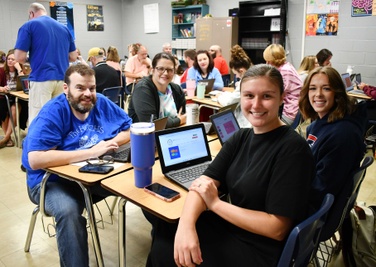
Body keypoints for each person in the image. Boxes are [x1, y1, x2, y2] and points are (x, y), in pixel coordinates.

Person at [145, 64, 315, 267]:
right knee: (166, 230)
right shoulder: (241, 137)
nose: (256, 104)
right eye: (249, 96)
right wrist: (186, 225)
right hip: (233, 227)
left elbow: (277, 228)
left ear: (281, 98)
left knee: (165, 249)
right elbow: (203, 183)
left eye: (267, 96)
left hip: (260, 247)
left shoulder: (293, 149)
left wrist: (215, 204)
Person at [22, 64, 132, 266]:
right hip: (50, 182)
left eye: (92, 88)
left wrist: (110, 143)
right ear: (66, 88)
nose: (88, 94)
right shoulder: (53, 112)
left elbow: (129, 128)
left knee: (139, 182)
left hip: (92, 174)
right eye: (80, 88)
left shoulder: (102, 103)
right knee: (69, 212)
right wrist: (92, 152)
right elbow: (35, 159)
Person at [299, 66, 367, 209]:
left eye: (326, 88)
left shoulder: (342, 135)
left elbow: (321, 189)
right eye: (312, 88)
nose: (318, 94)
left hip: (310, 209)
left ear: (337, 93)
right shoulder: (318, 124)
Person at [14, 2, 77, 124]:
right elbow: (73, 56)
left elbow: (19, 57)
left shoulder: (29, 26)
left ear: (31, 13)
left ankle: (39, 143)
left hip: (41, 79)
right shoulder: (64, 28)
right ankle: (57, 142)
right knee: (58, 116)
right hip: (62, 79)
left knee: (39, 118)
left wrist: (31, 59)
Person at [128, 52, 186, 128]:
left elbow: (184, 115)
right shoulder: (142, 89)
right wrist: (178, 120)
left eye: (170, 70)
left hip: (173, 134)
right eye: (161, 69)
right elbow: (152, 124)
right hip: (146, 137)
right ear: (152, 70)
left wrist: (177, 121)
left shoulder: (176, 89)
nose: (165, 73)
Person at [263, 44, 302, 125]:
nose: (266, 63)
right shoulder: (286, 67)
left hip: (290, 112)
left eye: (268, 61)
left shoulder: (284, 71)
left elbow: (275, 92)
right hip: (293, 109)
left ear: (274, 60)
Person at [217, 44, 253, 127]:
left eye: (236, 74)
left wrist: (219, 97)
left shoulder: (245, 82)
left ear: (241, 71)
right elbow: (236, 96)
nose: (236, 76)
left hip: (246, 123)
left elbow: (229, 102)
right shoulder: (255, 76)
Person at [0, 49, 28, 148]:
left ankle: (6, 138)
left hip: (17, 97)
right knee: (2, 108)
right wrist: (2, 88)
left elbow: (26, 85)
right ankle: (8, 138)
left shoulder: (20, 71)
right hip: (4, 96)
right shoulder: (2, 71)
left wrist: (19, 69)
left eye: (13, 59)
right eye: (9, 59)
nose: (10, 61)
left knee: (15, 108)